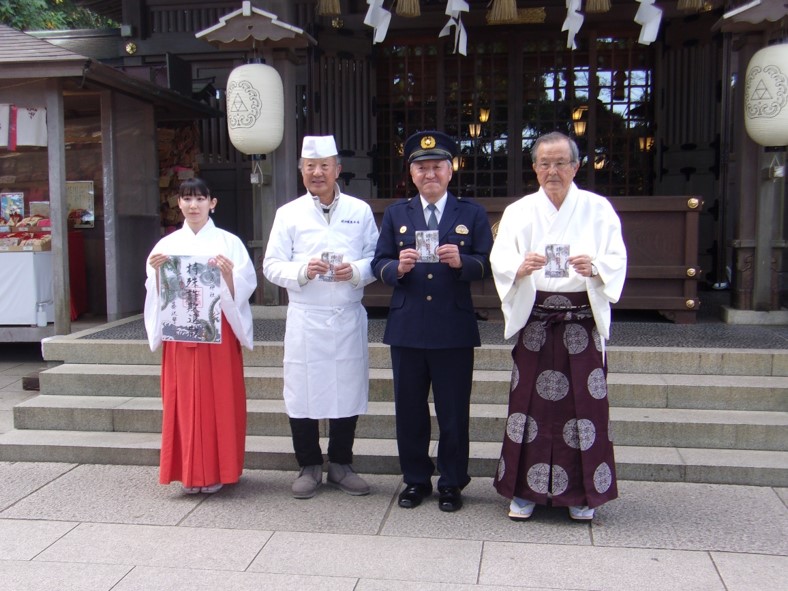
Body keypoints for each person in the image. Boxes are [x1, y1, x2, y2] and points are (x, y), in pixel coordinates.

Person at [490, 131, 627, 521]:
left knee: (585, 407)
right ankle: (523, 492)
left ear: (576, 166)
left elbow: (617, 256)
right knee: (527, 406)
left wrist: (596, 267)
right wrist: (520, 267)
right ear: (534, 168)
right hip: (536, 319)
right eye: (545, 163)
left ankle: (583, 494)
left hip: (580, 321)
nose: (553, 171)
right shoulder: (519, 211)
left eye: (561, 163)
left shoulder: (598, 208)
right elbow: (500, 258)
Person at [371, 130, 493, 512]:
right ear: (411, 174)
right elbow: (378, 262)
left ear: (450, 170)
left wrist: (463, 262)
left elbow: (488, 264)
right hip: (407, 326)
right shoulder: (396, 213)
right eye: (421, 168)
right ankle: (416, 479)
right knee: (409, 410)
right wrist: (397, 268)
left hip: (453, 327)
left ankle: (452, 481)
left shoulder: (470, 213)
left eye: (436, 166)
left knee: (453, 410)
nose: (429, 174)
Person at [263, 135, 380, 499]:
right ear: (302, 172)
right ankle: (309, 464)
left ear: (337, 170)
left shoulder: (359, 211)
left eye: (324, 166)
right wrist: (302, 270)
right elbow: (271, 265)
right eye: (310, 167)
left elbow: (377, 256)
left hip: (346, 314)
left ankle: (342, 464)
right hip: (306, 317)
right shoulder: (289, 213)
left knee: (348, 388)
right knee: (302, 391)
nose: (317, 173)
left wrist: (357, 271)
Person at [144, 177, 257, 494]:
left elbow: (245, 285)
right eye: (186, 199)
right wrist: (155, 272)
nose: (193, 205)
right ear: (178, 203)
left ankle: (219, 470)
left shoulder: (228, 242)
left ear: (212, 203)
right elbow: (154, 292)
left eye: (199, 199)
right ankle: (187, 472)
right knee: (182, 402)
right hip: (180, 332)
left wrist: (227, 276)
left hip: (217, 330)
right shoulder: (165, 245)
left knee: (219, 399)